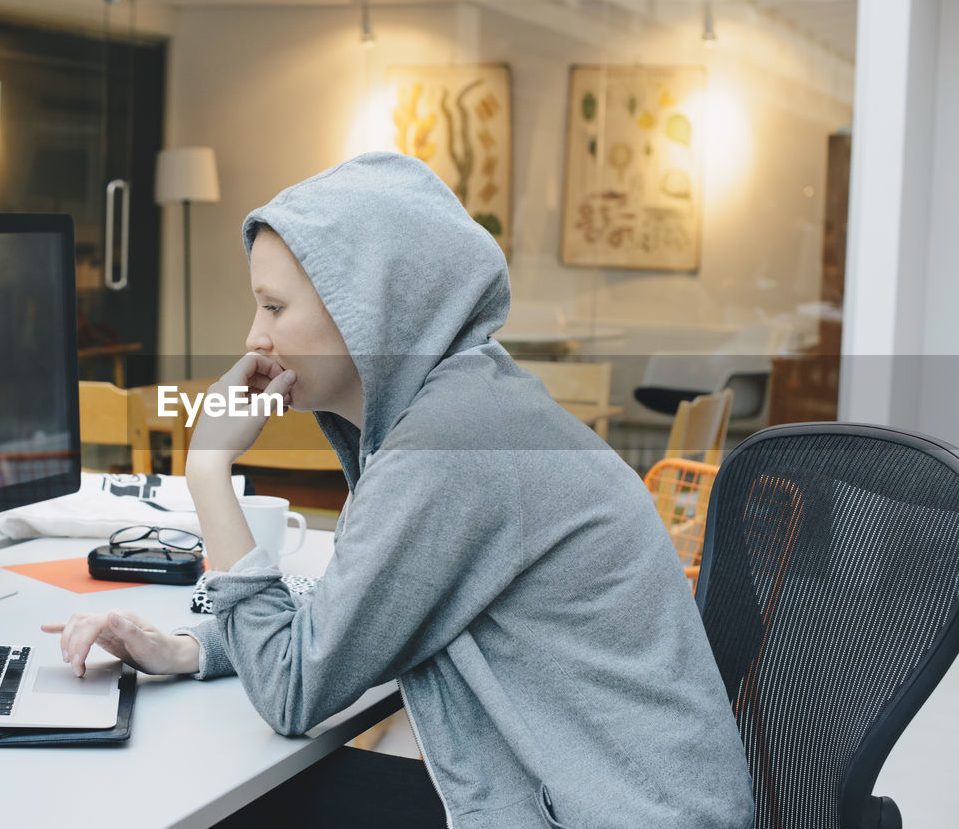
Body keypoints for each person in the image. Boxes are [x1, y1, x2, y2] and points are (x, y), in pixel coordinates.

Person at [43, 152, 754, 828]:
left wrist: (208, 471)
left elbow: (293, 690)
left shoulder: (452, 442)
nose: (254, 337)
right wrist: (192, 648)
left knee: (237, 806)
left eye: (275, 307)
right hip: (608, 796)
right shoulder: (463, 405)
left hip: (608, 814)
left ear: (368, 312)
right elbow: (357, 614)